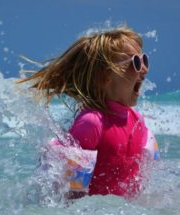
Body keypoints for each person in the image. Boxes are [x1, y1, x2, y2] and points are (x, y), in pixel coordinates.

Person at [18, 25, 152, 199]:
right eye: (135, 63)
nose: (144, 69)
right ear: (105, 77)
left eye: (144, 60)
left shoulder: (136, 120)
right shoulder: (92, 123)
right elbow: (70, 194)